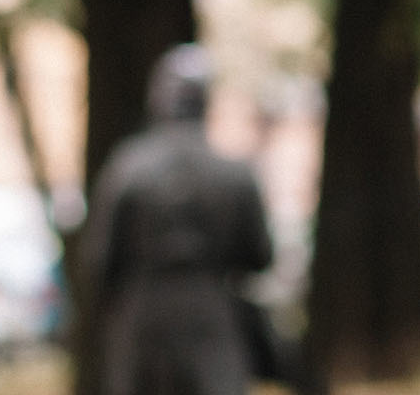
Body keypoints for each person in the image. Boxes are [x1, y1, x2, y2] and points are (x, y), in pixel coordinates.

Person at [85, 45, 277, 395]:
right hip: (211, 317)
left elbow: (99, 260)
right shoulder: (234, 174)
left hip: (141, 322)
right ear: (205, 101)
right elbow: (260, 256)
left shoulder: (126, 168)